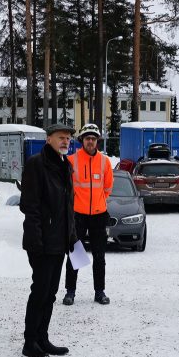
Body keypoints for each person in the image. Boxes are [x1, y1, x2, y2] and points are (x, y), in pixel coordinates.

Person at [19, 123, 77, 357]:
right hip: (41, 242)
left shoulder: (66, 165)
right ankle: (30, 342)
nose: (65, 142)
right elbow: (29, 206)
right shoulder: (36, 164)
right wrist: (35, 240)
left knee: (51, 293)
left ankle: (43, 338)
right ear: (48, 139)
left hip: (59, 241)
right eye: (60, 137)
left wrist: (71, 235)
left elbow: (68, 207)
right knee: (40, 291)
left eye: (68, 139)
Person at [63, 123, 114, 306]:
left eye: (93, 138)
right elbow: (66, 188)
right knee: (75, 255)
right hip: (77, 215)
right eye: (87, 138)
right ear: (81, 141)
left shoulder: (105, 162)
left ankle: (99, 292)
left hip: (99, 215)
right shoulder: (71, 160)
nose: (90, 141)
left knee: (99, 256)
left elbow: (107, 188)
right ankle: (70, 292)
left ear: (97, 141)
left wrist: (99, 201)